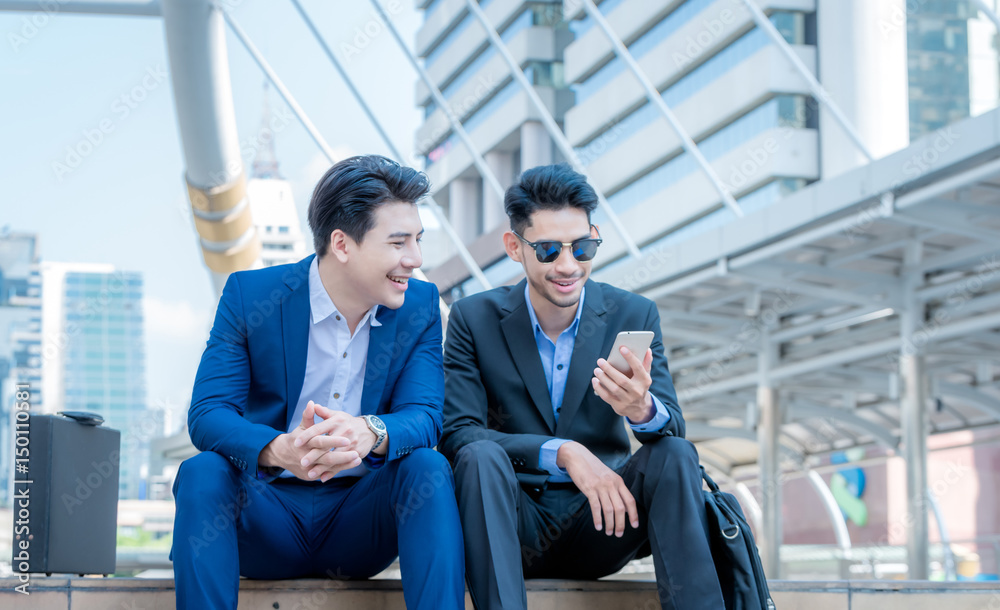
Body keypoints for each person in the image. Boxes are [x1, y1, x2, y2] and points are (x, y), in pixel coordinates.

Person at [171, 155, 465, 610]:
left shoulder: (419, 306)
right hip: (266, 516)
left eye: (418, 241)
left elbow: (425, 417)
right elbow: (208, 415)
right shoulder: (251, 297)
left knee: (426, 465)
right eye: (398, 243)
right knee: (201, 472)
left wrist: (371, 431)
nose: (415, 259)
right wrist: (278, 449)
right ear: (342, 244)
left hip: (359, 525)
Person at [440, 163, 724, 610]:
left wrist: (642, 410)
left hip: (605, 520)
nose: (569, 266)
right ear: (515, 247)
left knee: (676, 453)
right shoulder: (474, 319)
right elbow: (459, 433)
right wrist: (564, 453)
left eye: (583, 247)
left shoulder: (634, 314)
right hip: (512, 522)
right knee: (477, 456)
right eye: (549, 250)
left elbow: (673, 431)